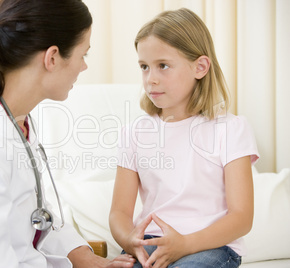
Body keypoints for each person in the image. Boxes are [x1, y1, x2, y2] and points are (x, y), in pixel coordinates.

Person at [0, 0, 136, 267]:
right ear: (52, 57)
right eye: (83, 55)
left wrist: (88, 260)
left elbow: (37, 214)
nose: (83, 67)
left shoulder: (16, 121)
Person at [109, 8, 259, 268]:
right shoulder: (134, 133)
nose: (151, 79)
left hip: (209, 247)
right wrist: (129, 238)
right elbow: (119, 212)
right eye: (144, 67)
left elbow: (242, 217)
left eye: (163, 66)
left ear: (200, 67)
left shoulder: (230, 129)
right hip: (151, 244)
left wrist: (185, 245)